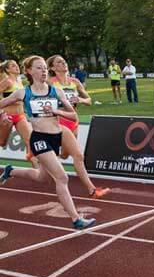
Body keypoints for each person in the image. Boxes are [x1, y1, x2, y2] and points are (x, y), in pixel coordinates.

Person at [0, 55, 96, 230]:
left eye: (45, 67)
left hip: (56, 137)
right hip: (39, 138)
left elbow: (73, 115)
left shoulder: (55, 91)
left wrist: (56, 110)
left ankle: (10, 170)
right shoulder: (24, 92)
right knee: (62, 177)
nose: (43, 70)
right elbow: (2, 103)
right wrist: (2, 115)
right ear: (29, 71)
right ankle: (76, 219)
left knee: (41, 177)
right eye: (39, 68)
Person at [47, 54, 109, 199]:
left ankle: (45, 154)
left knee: (65, 154)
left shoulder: (75, 82)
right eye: (59, 62)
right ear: (52, 67)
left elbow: (89, 101)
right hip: (59, 121)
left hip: (74, 120)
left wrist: (79, 99)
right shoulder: (51, 82)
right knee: (78, 155)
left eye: (64, 61)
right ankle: (92, 190)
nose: (63, 63)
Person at [0, 60, 36, 167]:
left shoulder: (19, 82)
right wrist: (8, 101)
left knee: (30, 140)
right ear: (7, 70)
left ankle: (36, 169)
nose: (16, 67)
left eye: (16, 65)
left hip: (20, 116)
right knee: (2, 143)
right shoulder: (7, 81)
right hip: (7, 117)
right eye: (12, 66)